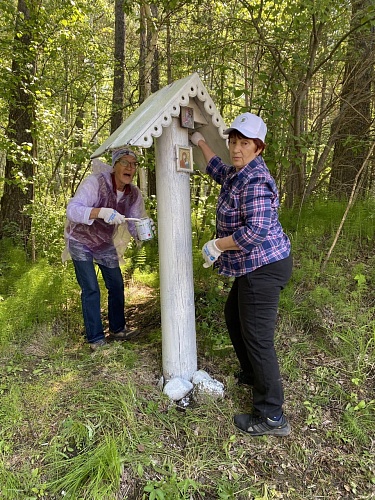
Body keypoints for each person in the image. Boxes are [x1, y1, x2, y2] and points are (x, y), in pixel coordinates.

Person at [191, 113, 292, 437]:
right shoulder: (238, 172)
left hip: (264, 267)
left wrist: (217, 245)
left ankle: (271, 415)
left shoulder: (256, 180)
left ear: (258, 148)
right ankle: (251, 373)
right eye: (233, 141)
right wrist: (200, 142)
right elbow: (219, 169)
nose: (236, 148)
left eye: (243, 143)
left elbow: (257, 231)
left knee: (258, 338)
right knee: (234, 319)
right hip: (252, 267)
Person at [63, 147, 148, 351]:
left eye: (133, 164)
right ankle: (95, 339)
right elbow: (72, 210)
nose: (130, 168)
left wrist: (143, 230)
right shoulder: (96, 183)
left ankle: (118, 329)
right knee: (91, 288)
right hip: (80, 240)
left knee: (117, 284)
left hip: (103, 242)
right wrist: (101, 212)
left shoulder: (132, 194)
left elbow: (134, 222)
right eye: (125, 163)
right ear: (115, 166)